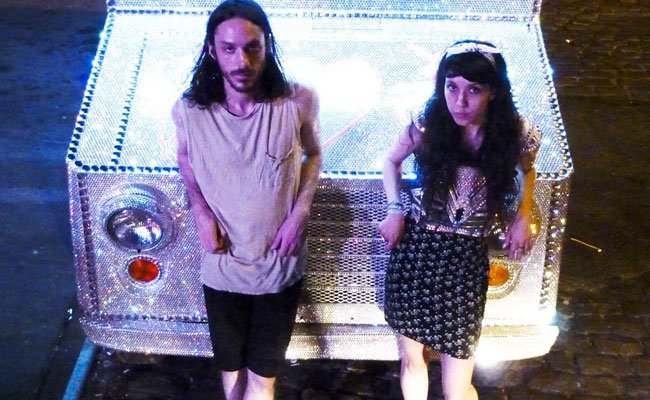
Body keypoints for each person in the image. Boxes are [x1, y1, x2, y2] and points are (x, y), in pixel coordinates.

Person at [172, 1, 322, 398]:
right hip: (223, 265)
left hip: (278, 265)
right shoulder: (189, 111)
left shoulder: (297, 101)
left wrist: (300, 213)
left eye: (252, 47)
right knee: (231, 373)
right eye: (229, 49)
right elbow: (184, 157)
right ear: (211, 50)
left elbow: (314, 154)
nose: (242, 61)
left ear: (267, 45)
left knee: (262, 376)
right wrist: (200, 210)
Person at [378, 40, 541, 400]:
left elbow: (527, 170)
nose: (460, 101)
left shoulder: (515, 133)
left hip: (465, 260)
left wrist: (523, 214)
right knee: (413, 361)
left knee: (458, 381)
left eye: (474, 90)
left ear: (493, 92)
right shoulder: (427, 124)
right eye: (451, 87)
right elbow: (390, 161)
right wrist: (394, 209)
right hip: (417, 253)